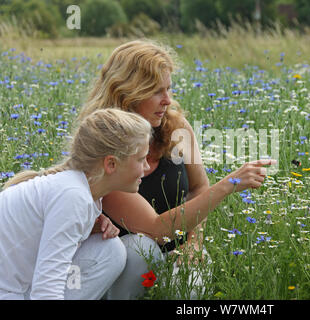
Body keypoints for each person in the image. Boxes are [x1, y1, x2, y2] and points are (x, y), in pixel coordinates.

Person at [77, 39, 276, 299]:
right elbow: (155, 231)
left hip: (178, 247)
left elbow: (198, 187)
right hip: (124, 254)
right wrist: (231, 183)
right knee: (140, 249)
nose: (167, 101)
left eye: (168, 89)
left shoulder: (176, 127)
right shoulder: (104, 148)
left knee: (190, 287)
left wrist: (194, 242)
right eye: (157, 92)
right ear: (128, 94)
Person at [0, 109, 151, 300]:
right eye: (140, 159)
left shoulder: (80, 192)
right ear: (111, 164)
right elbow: (46, 289)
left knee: (110, 250)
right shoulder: (73, 196)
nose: (146, 166)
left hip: (17, 287)